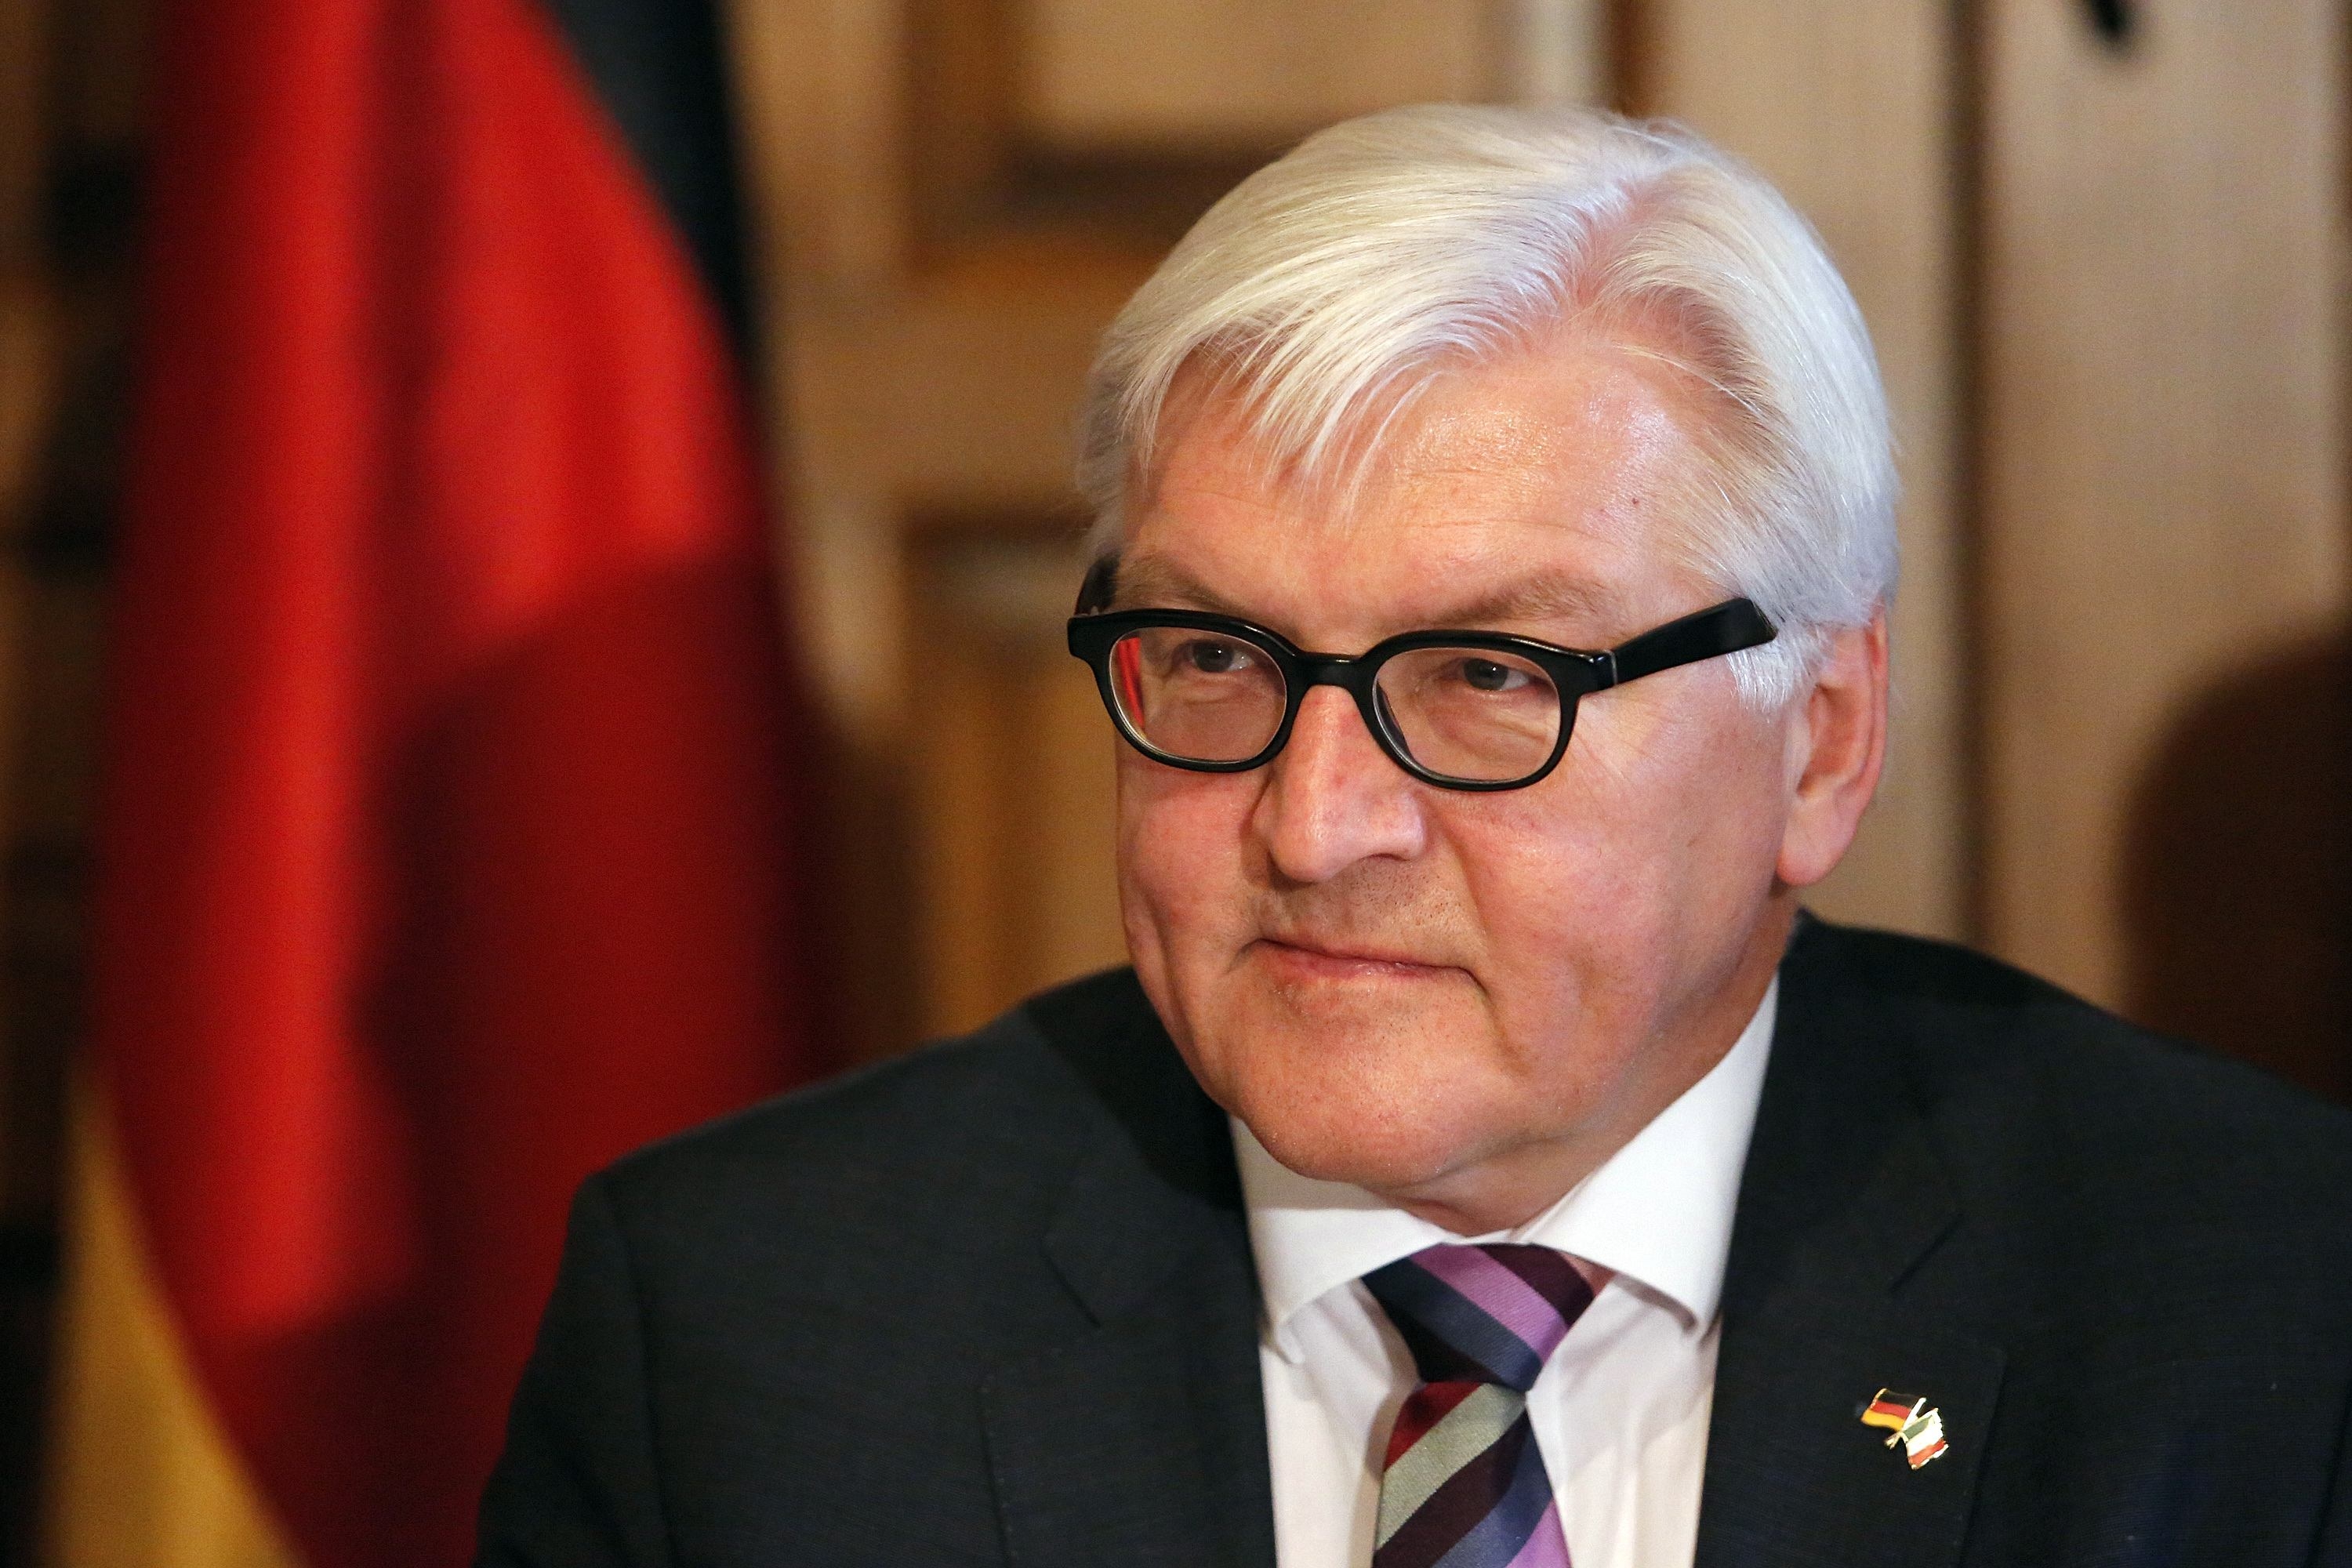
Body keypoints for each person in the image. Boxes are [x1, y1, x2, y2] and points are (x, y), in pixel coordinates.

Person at [475, 105, 2352, 1568]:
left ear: (1822, 745)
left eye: (1485, 676)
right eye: (1218, 656)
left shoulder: (2260, 1306)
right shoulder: (749, 1338)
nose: (1316, 823)